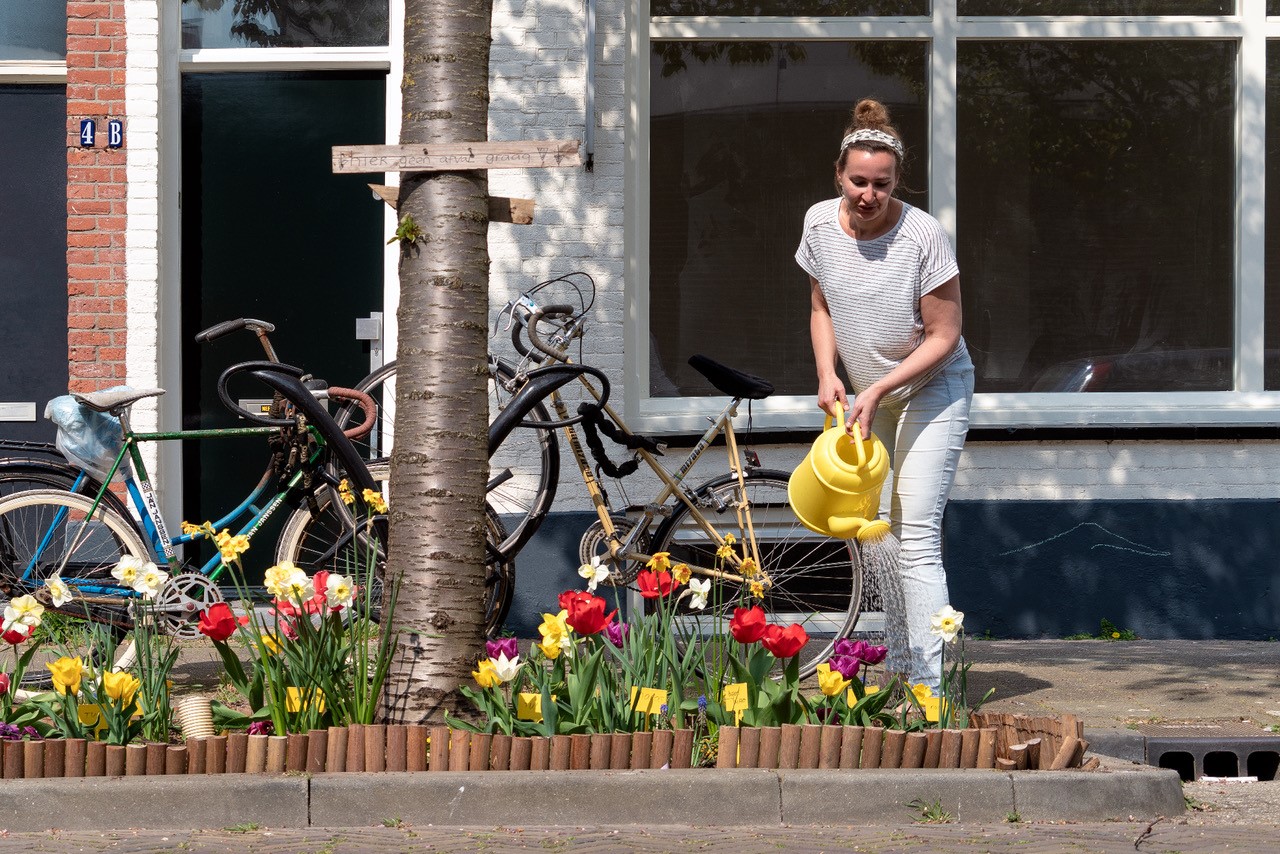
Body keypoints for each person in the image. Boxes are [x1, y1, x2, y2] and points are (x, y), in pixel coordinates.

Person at [795, 98, 974, 691]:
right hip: (870, 395)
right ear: (838, 176)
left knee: (915, 533)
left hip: (931, 386)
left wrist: (878, 387)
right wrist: (827, 374)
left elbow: (946, 335)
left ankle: (931, 688)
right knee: (882, 530)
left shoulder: (923, 235)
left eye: (882, 183)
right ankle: (901, 670)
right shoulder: (819, 223)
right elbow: (821, 307)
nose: (867, 194)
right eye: (857, 181)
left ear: (897, 181)